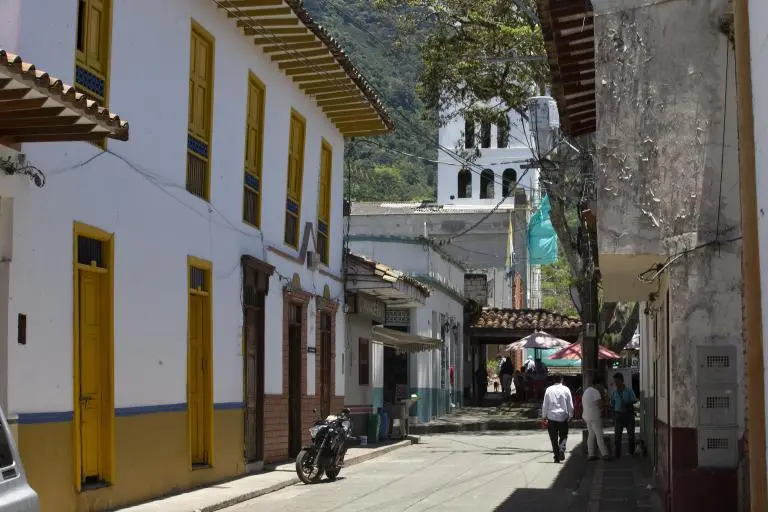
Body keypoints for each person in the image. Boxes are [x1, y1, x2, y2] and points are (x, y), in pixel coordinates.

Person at [541, 374, 574, 463]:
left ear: (553, 380)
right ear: (562, 380)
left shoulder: (548, 389)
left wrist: (544, 417)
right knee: (563, 435)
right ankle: (561, 449)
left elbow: (545, 404)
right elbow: (570, 404)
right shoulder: (566, 389)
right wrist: (571, 415)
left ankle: (556, 456)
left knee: (553, 438)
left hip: (551, 417)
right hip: (563, 417)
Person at [582, 377, 610, 460]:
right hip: (594, 416)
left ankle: (591, 454)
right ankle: (605, 454)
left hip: (587, 416)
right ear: (598, 384)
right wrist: (606, 400)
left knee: (591, 435)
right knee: (599, 435)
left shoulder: (586, 391)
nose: (602, 387)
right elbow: (600, 405)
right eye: (601, 385)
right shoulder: (595, 391)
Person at [610, 372, 638, 457]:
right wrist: (613, 416)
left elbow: (635, 400)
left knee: (631, 435)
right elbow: (612, 404)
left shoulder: (629, 390)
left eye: (617, 381)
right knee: (617, 436)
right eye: (615, 381)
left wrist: (626, 403)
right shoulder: (614, 392)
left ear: (622, 380)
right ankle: (617, 454)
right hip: (618, 415)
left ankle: (631, 452)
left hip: (628, 414)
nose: (616, 383)